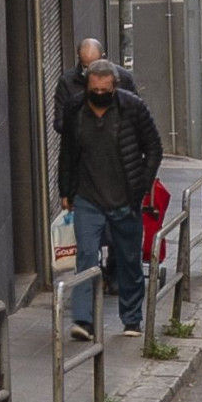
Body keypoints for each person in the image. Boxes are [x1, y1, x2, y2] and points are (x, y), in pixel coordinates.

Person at [56, 52, 163, 334]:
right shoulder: (75, 108)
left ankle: (131, 319)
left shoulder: (133, 108)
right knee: (87, 257)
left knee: (128, 259)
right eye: (95, 90)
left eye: (105, 90)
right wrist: (65, 190)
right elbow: (67, 151)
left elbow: (154, 147)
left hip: (125, 198)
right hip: (88, 197)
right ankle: (84, 320)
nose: (100, 94)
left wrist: (142, 185)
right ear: (87, 86)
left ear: (114, 86)